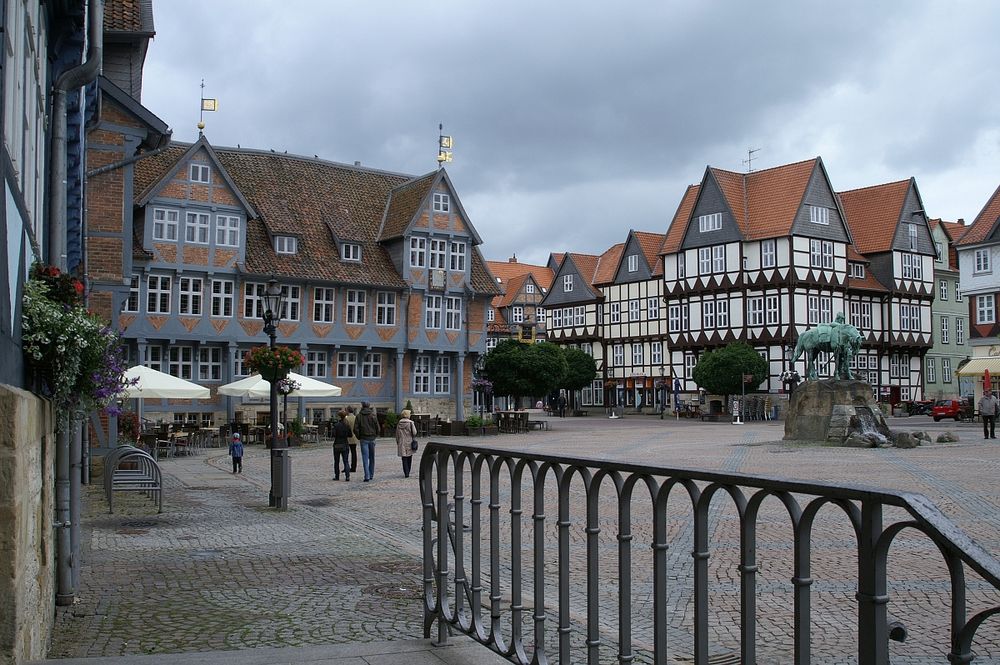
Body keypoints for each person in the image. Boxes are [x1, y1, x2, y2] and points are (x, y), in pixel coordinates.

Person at [355, 401, 380, 482]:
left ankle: (367, 476)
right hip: (371, 438)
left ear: (362, 406)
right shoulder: (373, 415)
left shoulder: (359, 416)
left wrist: (359, 437)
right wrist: (375, 435)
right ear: (369, 406)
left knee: (365, 458)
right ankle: (371, 474)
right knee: (372, 458)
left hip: (364, 439)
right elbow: (378, 428)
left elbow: (355, 429)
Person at [395, 409, 418, 478]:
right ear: (408, 415)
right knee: (409, 457)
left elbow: (397, 434)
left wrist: (397, 442)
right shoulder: (411, 423)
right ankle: (408, 471)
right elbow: (414, 432)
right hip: (409, 441)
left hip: (402, 442)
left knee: (404, 458)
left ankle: (406, 473)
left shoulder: (399, 423)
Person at [332, 410, 351, 480]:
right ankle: (347, 476)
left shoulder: (336, 425)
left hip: (337, 444)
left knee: (336, 461)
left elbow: (333, 435)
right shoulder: (347, 425)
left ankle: (337, 476)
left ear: (339, 417)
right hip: (345, 444)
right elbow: (350, 435)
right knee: (346, 461)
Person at [344, 405, 359, 473]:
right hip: (354, 437)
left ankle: (346, 467)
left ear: (348, 411)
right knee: (354, 453)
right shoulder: (355, 418)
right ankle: (354, 467)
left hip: (347, 437)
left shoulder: (346, 418)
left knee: (346, 453)